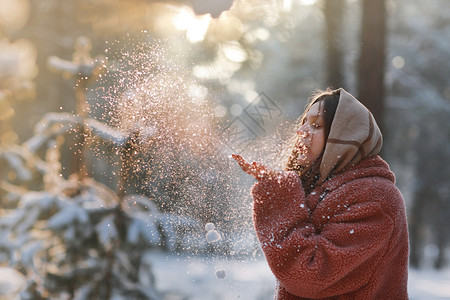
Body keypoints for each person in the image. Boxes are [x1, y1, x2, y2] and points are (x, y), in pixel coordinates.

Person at [232, 88, 409, 299]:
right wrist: (278, 189)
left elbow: (309, 275)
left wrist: (280, 196)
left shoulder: (377, 197)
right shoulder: (321, 189)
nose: (302, 131)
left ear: (343, 137)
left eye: (316, 125)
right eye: (304, 123)